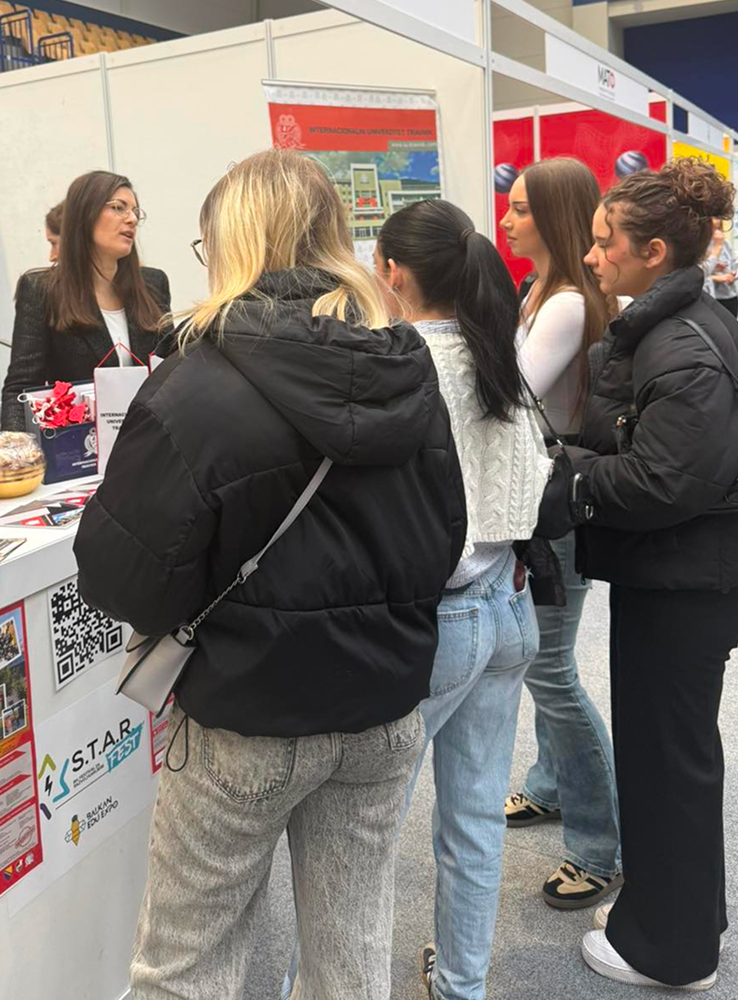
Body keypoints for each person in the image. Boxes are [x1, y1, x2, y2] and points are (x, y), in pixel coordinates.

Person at [74, 150, 466, 1000]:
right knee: (351, 955)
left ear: (231, 244)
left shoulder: (193, 388)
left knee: (185, 967)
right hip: (381, 708)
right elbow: (443, 540)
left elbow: (120, 578)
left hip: (243, 717)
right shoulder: (407, 370)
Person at [372, 199, 550, 999]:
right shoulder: (495, 352)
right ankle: (460, 986)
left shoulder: (398, 365)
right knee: (473, 823)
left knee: (357, 833)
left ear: (391, 271)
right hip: (507, 600)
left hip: (438, 620)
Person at [568, 157, 738, 989]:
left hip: (684, 582)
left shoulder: (681, 346)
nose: (591, 255)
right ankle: (678, 917)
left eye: (605, 242)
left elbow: (666, 481)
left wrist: (565, 481)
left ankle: (671, 952)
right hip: (680, 576)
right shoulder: (681, 327)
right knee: (669, 753)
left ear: (654, 252)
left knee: (667, 762)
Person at [499, 157, 622, 909]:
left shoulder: (568, 302)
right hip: (540, 501)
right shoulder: (540, 291)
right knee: (541, 662)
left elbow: (510, 396)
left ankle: (599, 846)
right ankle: (549, 784)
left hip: (555, 506)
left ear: (552, 214)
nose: (507, 219)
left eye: (520, 208)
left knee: (550, 671)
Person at [1, 170, 171, 430]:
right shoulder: (41, 289)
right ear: (85, 215)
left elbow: (171, 370)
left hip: (149, 440)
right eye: (119, 208)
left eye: (136, 211)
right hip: (79, 446)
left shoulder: (153, 284)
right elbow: (20, 389)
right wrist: (17, 448)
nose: (132, 219)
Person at [703, 217, 737, 317]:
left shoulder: (725, 243)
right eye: (714, 229)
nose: (717, 233)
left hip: (730, 293)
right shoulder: (702, 246)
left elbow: (733, 262)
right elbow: (699, 273)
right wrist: (718, 278)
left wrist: (733, 274)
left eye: (719, 228)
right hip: (714, 296)